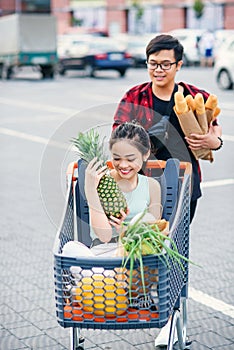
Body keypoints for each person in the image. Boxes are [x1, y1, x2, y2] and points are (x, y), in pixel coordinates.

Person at [113, 34, 223, 225]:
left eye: (165, 64)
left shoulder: (196, 96)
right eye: (153, 64)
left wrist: (214, 142)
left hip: (185, 183)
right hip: (142, 185)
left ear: (178, 65)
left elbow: (215, 128)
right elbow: (116, 135)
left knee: (177, 242)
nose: (158, 70)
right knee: (145, 244)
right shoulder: (134, 97)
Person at [84, 121, 162, 257]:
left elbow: (153, 233)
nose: (123, 165)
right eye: (117, 158)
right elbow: (104, 237)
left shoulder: (152, 186)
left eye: (130, 159)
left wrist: (123, 229)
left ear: (145, 154)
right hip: (105, 251)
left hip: (136, 252)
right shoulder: (101, 182)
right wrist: (91, 191)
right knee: (69, 249)